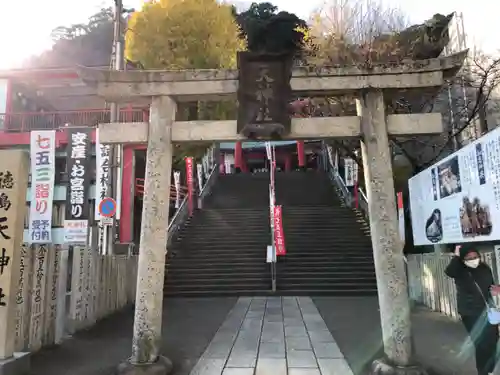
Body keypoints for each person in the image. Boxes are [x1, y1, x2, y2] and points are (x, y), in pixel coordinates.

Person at [445, 244, 500, 375]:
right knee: (481, 343)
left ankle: (490, 370)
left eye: (475, 256)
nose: (473, 259)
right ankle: (484, 372)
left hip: (487, 310)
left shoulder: (485, 268)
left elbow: (490, 286)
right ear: (463, 259)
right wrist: (456, 256)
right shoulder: (460, 270)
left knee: (493, 341)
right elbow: (449, 271)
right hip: (470, 313)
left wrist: (496, 290)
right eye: (469, 257)